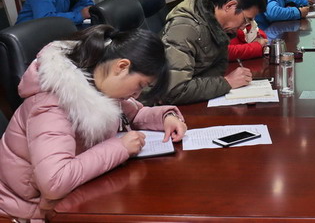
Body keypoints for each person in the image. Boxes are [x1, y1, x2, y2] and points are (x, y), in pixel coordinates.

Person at [0, 25, 187, 221]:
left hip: (72, 195)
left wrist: (166, 117)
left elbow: (133, 115)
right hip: (26, 210)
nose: (137, 95)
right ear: (121, 67)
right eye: (139, 85)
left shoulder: (98, 82)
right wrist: (120, 148)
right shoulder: (53, 104)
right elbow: (54, 181)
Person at [155, 0, 265, 105]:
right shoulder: (185, 29)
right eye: (246, 19)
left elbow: (216, 69)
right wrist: (227, 82)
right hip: (156, 107)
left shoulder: (219, 27)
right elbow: (174, 91)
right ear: (230, 6)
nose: (244, 26)